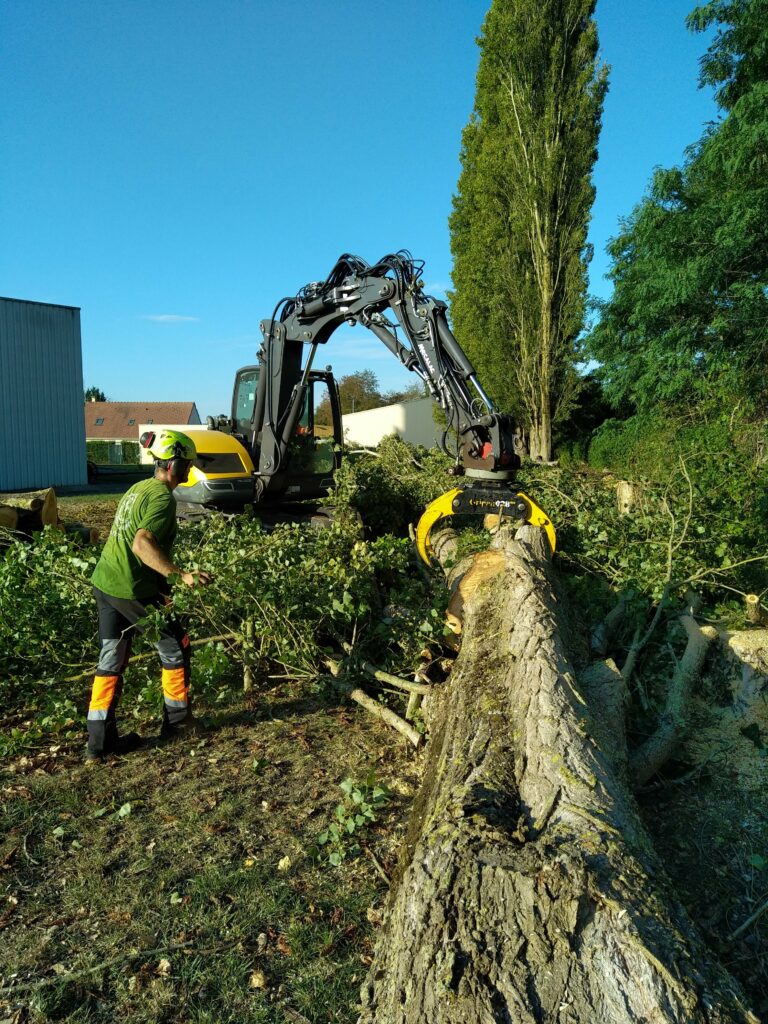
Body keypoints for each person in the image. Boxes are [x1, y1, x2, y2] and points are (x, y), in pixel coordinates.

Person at [86, 429, 212, 760]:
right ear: (172, 464)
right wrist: (181, 575)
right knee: (175, 646)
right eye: (186, 464)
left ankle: (100, 745)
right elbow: (141, 544)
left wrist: (163, 589)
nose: (189, 470)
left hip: (105, 583)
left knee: (111, 659)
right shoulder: (161, 498)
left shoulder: (137, 488)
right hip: (130, 589)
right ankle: (179, 722)